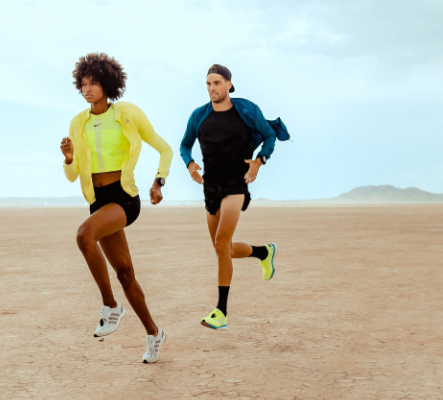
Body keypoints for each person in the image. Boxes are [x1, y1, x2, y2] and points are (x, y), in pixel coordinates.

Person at [60, 53, 171, 363]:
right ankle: (154, 333)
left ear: (107, 83)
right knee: (125, 274)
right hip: (98, 199)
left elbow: (163, 148)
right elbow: (72, 175)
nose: (88, 89)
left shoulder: (127, 114)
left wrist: (158, 181)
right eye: (83, 84)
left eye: (93, 83)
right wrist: (69, 158)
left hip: (123, 197)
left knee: (84, 235)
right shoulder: (77, 122)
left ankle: (111, 307)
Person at [180, 64, 289, 330]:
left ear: (229, 84)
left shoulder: (247, 110)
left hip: (236, 184)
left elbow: (269, 135)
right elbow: (185, 145)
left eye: (217, 83)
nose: (212, 89)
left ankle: (221, 311)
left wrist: (259, 161)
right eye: (208, 84)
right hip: (211, 186)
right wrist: (190, 164)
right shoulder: (199, 116)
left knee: (221, 241)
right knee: (223, 249)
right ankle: (264, 252)